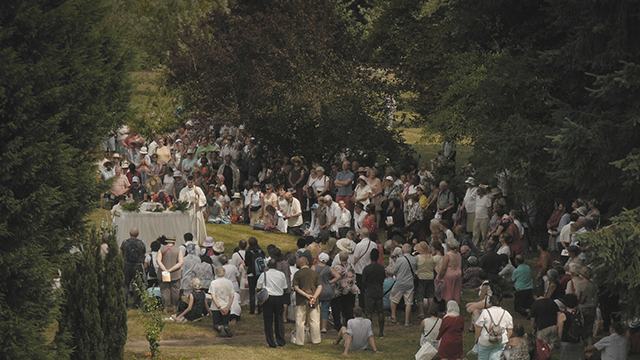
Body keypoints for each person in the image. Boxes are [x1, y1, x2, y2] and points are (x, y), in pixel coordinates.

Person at [256, 259, 288, 348]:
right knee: (279, 320)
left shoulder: (264, 274)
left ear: (268, 266)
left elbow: (258, 286)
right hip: (279, 297)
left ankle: (271, 342)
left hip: (268, 298)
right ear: (276, 266)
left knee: (268, 321)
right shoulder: (281, 274)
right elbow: (285, 287)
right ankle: (281, 340)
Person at [292, 256, 322, 345]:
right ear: (307, 263)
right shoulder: (314, 273)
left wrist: (306, 295)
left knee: (300, 321)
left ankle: (299, 340)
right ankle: (316, 339)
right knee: (315, 321)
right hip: (314, 301)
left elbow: (296, 288)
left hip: (301, 300)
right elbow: (319, 286)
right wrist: (314, 297)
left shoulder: (298, 274)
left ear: (299, 263)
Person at [474, 295, 514, 360]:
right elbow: (510, 329)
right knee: (495, 358)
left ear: (490, 303)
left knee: (482, 357)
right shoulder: (506, 313)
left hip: (485, 339)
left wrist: (476, 338)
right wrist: (506, 337)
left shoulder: (485, 312)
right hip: (501, 340)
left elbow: (478, 326)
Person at [390, 243, 418, 327]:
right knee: (408, 302)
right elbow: (416, 269)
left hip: (400, 283)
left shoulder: (400, 260)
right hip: (410, 283)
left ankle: (393, 316)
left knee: (393, 299)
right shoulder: (414, 259)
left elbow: (395, 271)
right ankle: (407, 321)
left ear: (403, 250)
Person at [332, 250, 360, 332]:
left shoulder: (337, 267)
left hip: (339, 290)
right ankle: (349, 323)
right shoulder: (352, 266)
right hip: (350, 289)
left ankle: (338, 325)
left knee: (336, 308)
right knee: (349, 308)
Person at [361, 248, 386, 337]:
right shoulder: (381, 268)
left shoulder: (367, 268)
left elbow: (363, 281)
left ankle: (369, 332)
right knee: (380, 312)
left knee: (369, 313)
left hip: (369, 291)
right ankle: (381, 332)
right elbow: (383, 278)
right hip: (379, 291)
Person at [156, 234, 184, 313]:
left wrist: (165, 270)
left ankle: (165, 308)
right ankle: (175, 308)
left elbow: (158, 260)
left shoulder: (161, 249)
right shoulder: (178, 250)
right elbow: (181, 262)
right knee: (175, 291)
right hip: (175, 274)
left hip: (163, 273)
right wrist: (171, 270)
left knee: (165, 290)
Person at [120, 227, 146, 308]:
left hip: (126, 265)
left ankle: (124, 303)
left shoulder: (124, 243)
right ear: (138, 234)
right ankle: (136, 304)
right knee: (137, 285)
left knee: (125, 285)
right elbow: (143, 255)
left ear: (129, 233)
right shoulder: (141, 243)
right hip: (137, 266)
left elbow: (120, 254)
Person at [179, 175, 207, 245]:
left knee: (196, 225)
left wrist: (199, 196)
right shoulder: (184, 191)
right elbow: (181, 201)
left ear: (194, 182)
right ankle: (188, 240)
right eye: (188, 182)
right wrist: (190, 202)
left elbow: (204, 199)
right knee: (189, 225)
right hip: (189, 211)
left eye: (191, 182)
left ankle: (196, 239)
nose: (190, 184)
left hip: (196, 210)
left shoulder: (198, 189)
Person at [558, 294, 586, 360]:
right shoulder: (579, 313)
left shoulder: (563, 315)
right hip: (578, 341)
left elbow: (560, 331)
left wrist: (560, 338)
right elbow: (582, 324)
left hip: (566, 341)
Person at [209, 266, 235, 337]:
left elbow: (213, 296)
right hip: (226, 305)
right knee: (225, 322)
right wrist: (228, 307)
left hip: (216, 307)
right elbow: (232, 296)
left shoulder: (213, 283)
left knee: (215, 324)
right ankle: (226, 327)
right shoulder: (229, 282)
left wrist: (219, 307)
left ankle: (220, 328)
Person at [436, 238, 463, 304]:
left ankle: (448, 306)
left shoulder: (447, 255)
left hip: (449, 275)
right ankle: (456, 305)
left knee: (448, 292)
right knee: (456, 291)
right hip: (458, 274)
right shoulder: (458, 254)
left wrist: (439, 277)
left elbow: (444, 268)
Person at [353, 228, 374, 309]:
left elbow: (356, 258)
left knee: (361, 290)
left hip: (360, 270)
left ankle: (362, 305)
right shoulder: (373, 244)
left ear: (361, 235)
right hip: (370, 269)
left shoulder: (359, 245)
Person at [245, 237, 266, 315]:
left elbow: (246, 263)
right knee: (260, 291)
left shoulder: (248, 252)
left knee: (252, 292)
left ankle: (252, 310)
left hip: (251, 273)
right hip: (260, 273)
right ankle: (260, 309)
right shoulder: (261, 251)